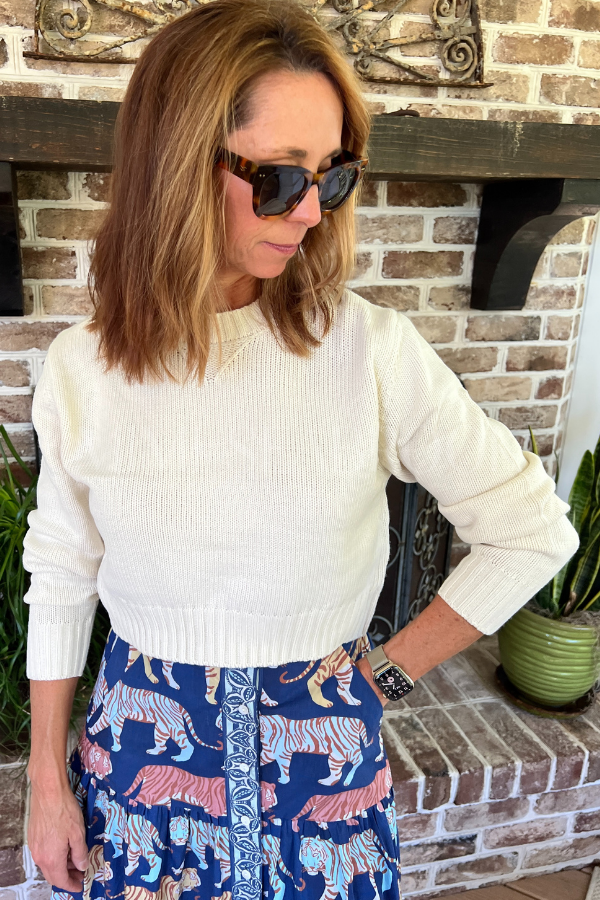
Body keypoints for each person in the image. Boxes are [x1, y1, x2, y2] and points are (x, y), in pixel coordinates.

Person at [22, 1, 579, 899]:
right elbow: (61, 570)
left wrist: (388, 673)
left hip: (322, 763)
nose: (313, 211)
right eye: (281, 178)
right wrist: (47, 784)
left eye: (333, 175)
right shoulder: (81, 369)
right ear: (176, 164)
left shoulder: (372, 353)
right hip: (140, 759)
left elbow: (532, 530)